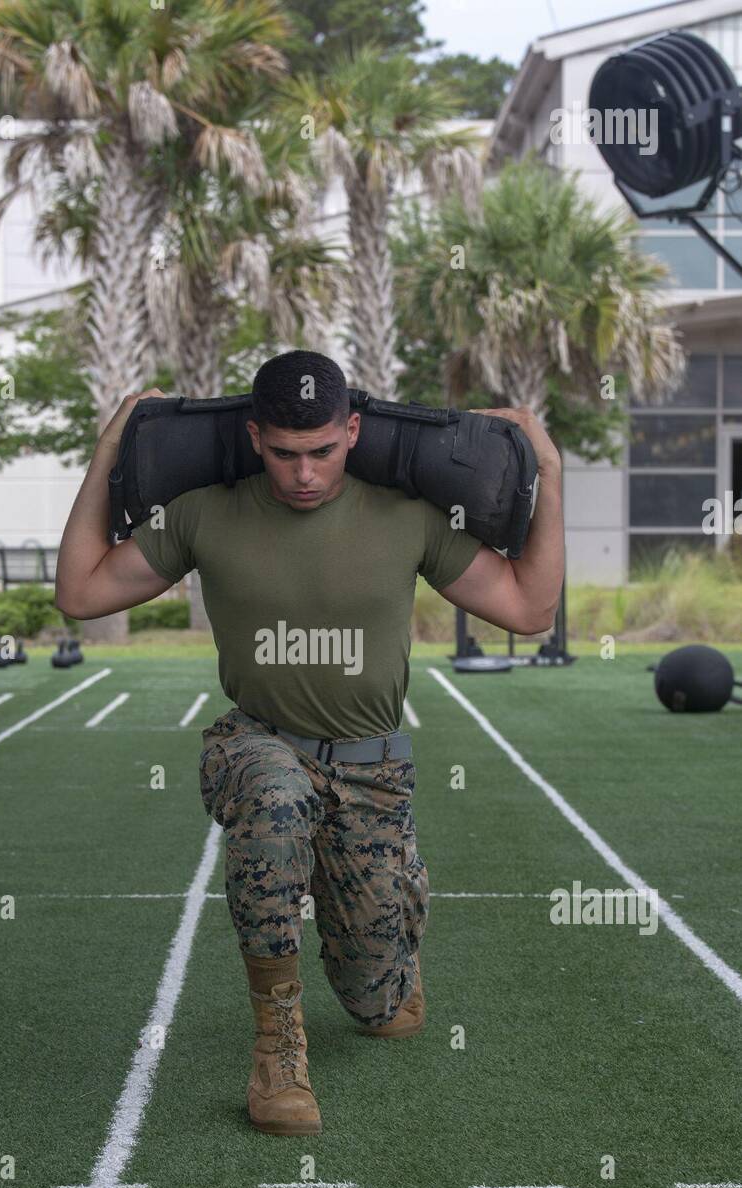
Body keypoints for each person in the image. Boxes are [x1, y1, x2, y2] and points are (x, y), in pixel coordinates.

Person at [56, 350, 564, 1136]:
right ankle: (277, 1048)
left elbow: (529, 611)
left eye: (323, 451)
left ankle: (396, 905)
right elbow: (81, 592)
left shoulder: (409, 513)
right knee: (272, 794)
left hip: (372, 772)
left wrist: (552, 481)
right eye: (286, 453)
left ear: (353, 431)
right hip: (260, 743)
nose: (304, 474)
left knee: (383, 1012)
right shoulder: (204, 513)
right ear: (255, 437)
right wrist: (104, 453)